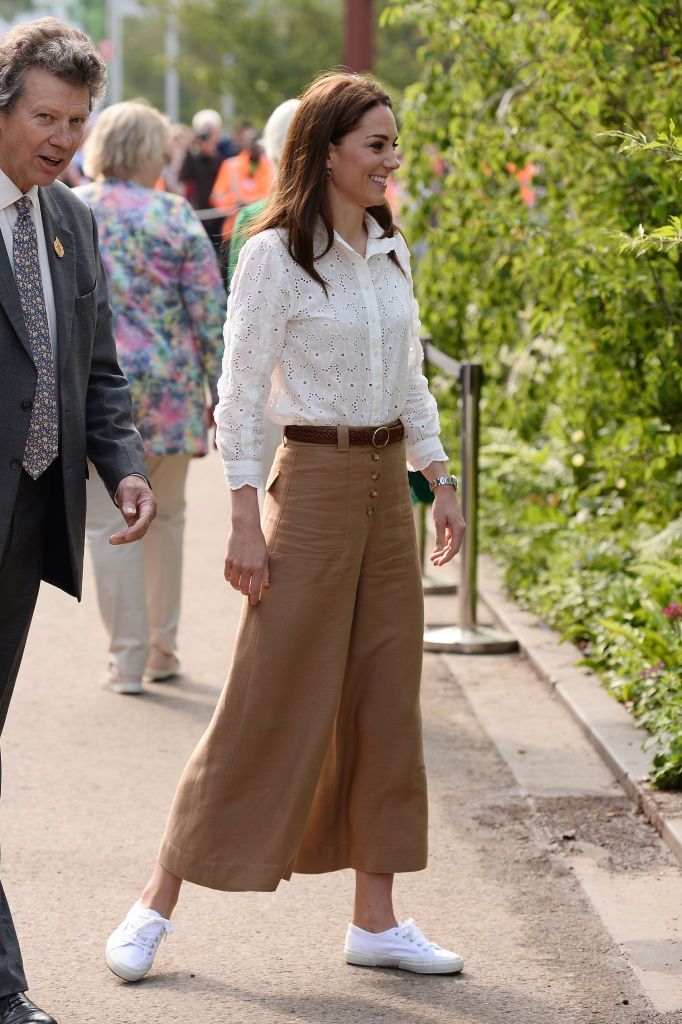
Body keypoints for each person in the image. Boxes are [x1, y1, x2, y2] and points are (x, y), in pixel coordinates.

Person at [105, 71, 465, 984]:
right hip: (308, 483)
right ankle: (154, 904)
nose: (392, 160)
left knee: (387, 700)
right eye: (377, 144)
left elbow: (412, 374)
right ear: (329, 149)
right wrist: (241, 517)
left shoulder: (390, 248)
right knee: (267, 695)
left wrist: (439, 474)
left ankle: (375, 922)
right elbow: (238, 388)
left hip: (389, 482)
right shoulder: (273, 255)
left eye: (394, 142)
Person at [0, 18, 154, 1024]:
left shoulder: (72, 222)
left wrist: (124, 466)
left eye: (78, 120)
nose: (63, 137)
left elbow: (95, 369)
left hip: (24, 527)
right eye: (45, 118)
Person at [75, 100, 226, 693]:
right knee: (169, 521)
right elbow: (210, 312)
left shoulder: (72, 209)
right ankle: (164, 650)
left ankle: (128, 659)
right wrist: (223, 391)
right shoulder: (175, 215)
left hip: (96, 396)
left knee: (105, 525)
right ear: (151, 153)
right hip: (171, 393)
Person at [209, 126, 274, 270]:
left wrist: (248, 202)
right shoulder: (230, 165)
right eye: (250, 141)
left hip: (265, 231)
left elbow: (274, 196)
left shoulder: (271, 166)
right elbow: (217, 197)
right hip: (234, 232)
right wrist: (234, 203)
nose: (254, 145)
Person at [179, 109, 225, 260]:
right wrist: (190, 148)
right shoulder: (192, 155)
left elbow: (221, 172)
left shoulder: (224, 151)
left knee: (219, 253)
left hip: (218, 211)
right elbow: (183, 176)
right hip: (199, 210)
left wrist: (211, 153)